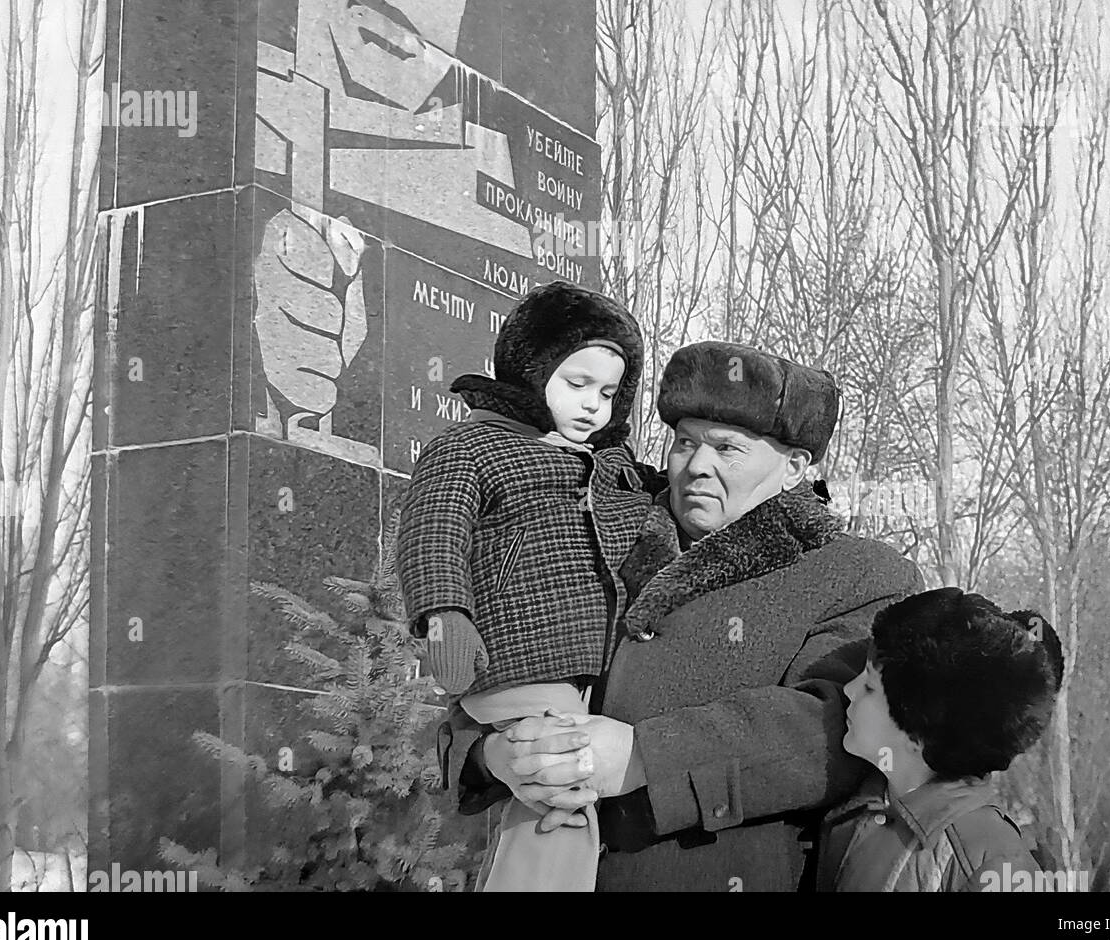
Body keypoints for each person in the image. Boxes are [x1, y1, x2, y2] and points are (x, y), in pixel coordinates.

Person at [444, 340, 924, 891]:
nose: (697, 466)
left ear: (795, 467)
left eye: (727, 448)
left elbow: (829, 729)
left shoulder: (859, 575)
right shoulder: (591, 538)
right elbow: (499, 669)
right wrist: (498, 755)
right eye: (684, 443)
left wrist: (641, 757)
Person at [395, 281, 662, 891]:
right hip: (517, 654)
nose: (594, 404)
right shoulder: (472, 448)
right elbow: (433, 530)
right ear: (532, 369)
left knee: (569, 784)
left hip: (601, 668)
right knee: (559, 788)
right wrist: (444, 615)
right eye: (577, 383)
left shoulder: (617, 467)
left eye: (608, 391)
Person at [817, 587, 1064, 891]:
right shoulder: (852, 815)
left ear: (917, 730)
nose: (848, 690)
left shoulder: (987, 858)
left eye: (869, 687)